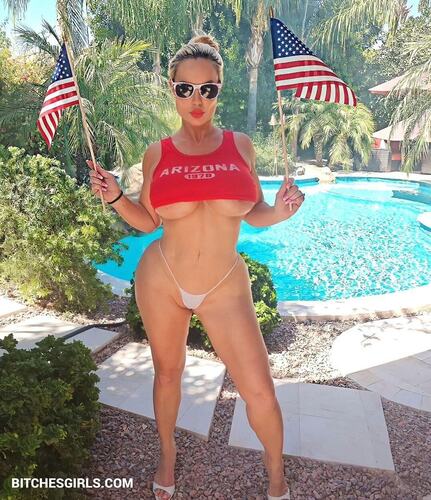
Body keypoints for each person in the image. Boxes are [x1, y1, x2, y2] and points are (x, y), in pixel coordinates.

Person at [88, 33, 305, 500]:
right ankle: (167, 454)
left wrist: (281, 212)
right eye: (185, 89)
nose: (197, 99)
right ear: (173, 89)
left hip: (224, 285)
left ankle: (276, 476)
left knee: (260, 391)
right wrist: (116, 196)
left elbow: (254, 212)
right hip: (163, 280)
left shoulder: (241, 146)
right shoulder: (158, 152)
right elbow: (148, 221)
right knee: (168, 374)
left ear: (219, 88)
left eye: (208, 88)